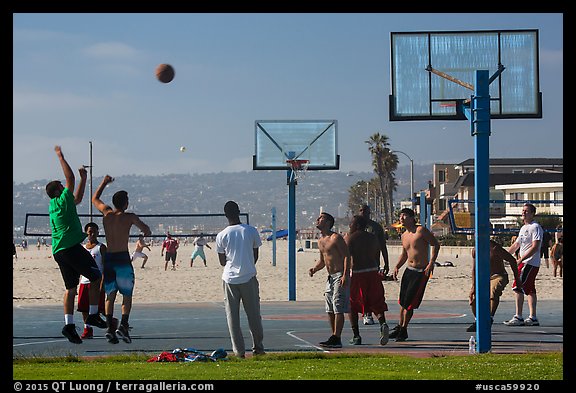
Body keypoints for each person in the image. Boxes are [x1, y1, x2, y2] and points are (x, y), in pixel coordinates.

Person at [45, 146, 107, 344]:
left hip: (59, 251)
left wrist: (84, 179)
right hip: (71, 248)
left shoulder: (55, 205)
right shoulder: (61, 198)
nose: (64, 187)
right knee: (96, 277)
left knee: (71, 288)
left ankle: (69, 326)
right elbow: (69, 179)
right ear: (57, 191)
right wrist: (61, 157)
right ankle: (93, 315)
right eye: (61, 187)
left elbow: (78, 198)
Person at [92, 175, 152, 344]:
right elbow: (146, 230)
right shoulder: (129, 217)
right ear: (125, 203)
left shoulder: (107, 214)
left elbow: (95, 198)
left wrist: (104, 183)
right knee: (127, 294)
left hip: (110, 258)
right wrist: (146, 232)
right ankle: (123, 325)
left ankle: (110, 327)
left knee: (110, 295)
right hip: (122, 258)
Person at [216, 201, 265, 358]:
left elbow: (222, 261)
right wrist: (247, 264)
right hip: (248, 276)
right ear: (238, 211)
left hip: (229, 278)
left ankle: (239, 352)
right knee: (254, 315)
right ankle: (258, 348)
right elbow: (255, 254)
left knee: (233, 317)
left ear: (225, 215)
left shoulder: (222, 235)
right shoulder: (251, 231)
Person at [391, 207, 440, 342]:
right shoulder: (404, 235)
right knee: (402, 302)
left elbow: (435, 244)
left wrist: (431, 263)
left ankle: (404, 329)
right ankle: (400, 327)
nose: (401, 218)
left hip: (420, 271)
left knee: (410, 303)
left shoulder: (421, 231)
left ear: (412, 218)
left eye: (404, 216)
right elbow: (404, 254)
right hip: (409, 270)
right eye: (400, 216)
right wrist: (397, 266)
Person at [309, 212, 351, 349]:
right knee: (330, 308)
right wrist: (314, 269)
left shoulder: (336, 238)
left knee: (338, 306)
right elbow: (323, 261)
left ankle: (337, 337)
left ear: (327, 222)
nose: (317, 220)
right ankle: (333, 335)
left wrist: (345, 274)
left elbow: (346, 256)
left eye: (320, 218)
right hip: (330, 277)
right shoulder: (320, 241)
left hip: (340, 275)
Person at [345, 215, 389, 346]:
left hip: (358, 274)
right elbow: (377, 255)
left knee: (352, 305)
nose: (350, 226)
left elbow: (347, 258)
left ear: (357, 225)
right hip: (373, 272)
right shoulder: (373, 238)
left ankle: (356, 335)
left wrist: (345, 274)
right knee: (377, 302)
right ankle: (383, 324)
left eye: (351, 224)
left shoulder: (351, 238)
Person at [466, 239, 522, 332]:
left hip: (498, 275)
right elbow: (474, 269)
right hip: (484, 278)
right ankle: (478, 321)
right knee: (473, 298)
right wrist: (473, 286)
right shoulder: (475, 249)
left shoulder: (495, 248)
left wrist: (517, 279)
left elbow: (512, 260)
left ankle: (489, 318)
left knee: (494, 290)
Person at [504, 203, 543, 327]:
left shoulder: (535, 227)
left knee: (517, 286)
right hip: (524, 262)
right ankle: (533, 317)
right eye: (523, 211)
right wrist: (503, 256)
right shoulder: (523, 228)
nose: (523, 213)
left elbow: (535, 246)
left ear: (532, 214)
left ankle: (518, 316)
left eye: (526, 211)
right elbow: (516, 245)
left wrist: (521, 259)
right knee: (529, 288)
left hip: (530, 262)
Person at [78, 222, 115, 339]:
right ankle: (87, 329)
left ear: (98, 233)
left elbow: (106, 266)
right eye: (90, 232)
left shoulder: (101, 248)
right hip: (84, 281)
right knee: (84, 308)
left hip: (97, 282)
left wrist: (103, 282)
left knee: (99, 310)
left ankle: (112, 325)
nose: (92, 234)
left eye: (94, 231)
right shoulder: (82, 248)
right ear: (86, 233)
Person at [359, 204, 389, 325]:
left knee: (373, 292)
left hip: (373, 264)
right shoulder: (355, 227)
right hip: (358, 266)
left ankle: (374, 314)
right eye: (361, 210)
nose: (363, 213)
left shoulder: (376, 227)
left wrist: (386, 263)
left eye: (365, 211)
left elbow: (383, 246)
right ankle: (366, 313)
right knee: (362, 292)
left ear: (369, 212)